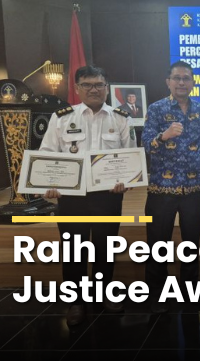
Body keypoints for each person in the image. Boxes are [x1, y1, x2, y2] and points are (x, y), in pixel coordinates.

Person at [40, 65, 136, 326]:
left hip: (108, 195)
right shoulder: (61, 117)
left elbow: (129, 155)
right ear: (77, 88)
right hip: (72, 197)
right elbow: (47, 153)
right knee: (74, 249)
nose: (94, 89)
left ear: (107, 88)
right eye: (87, 85)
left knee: (105, 246)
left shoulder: (121, 118)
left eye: (99, 84)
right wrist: (51, 183)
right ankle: (76, 301)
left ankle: (103, 293)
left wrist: (125, 181)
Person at [141, 60, 200, 313]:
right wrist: (164, 136)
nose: (182, 82)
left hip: (193, 189)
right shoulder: (156, 109)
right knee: (157, 246)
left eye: (186, 78)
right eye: (177, 78)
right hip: (161, 189)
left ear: (193, 82)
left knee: (191, 246)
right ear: (168, 82)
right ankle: (157, 295)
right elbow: (146, 145)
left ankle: (189, 293)